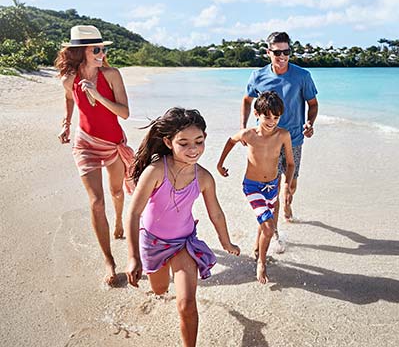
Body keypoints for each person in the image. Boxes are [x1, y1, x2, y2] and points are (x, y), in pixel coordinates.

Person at [125, 107, 240, 347]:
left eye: (199, 141)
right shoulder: (156, 171)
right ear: (168, 142)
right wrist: (133, 257)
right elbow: (134, 213)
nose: (193, 149)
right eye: (184, 143)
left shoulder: (204, 177)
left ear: (205, 138)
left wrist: (226, 242)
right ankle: (160, 277)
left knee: (186, 304)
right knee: (159, 290)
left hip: (183, 243)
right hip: (152, 242)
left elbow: (216, 213)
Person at [54, 25, 135, 286]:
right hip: (85, 144)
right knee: (97, 202)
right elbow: (70, 98)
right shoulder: (69, 79)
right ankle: (109, 261)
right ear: (81, 52)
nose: (102, 53)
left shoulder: (111, 75)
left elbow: (124, 113)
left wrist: (97, 95)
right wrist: (67, 123)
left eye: (103, 48)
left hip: (112, 144)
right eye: (96, 49)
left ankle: (119, 220)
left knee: (117, 192)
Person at [241, 31, 319, 248]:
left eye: (286, 51)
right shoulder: (258, 76)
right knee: (271, 187)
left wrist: (310, 124)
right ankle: (273, 234)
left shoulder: (302, 76)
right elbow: (247, 101)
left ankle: (288, 202)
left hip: (294, 140)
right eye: (277, 52)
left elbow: (312, 105)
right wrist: (243, 128)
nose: (282, 56)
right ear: (269, 53)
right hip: (267, 143)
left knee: (291, 183)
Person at [218, 92, 294, 284]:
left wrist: (287, 183)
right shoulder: (248, 134)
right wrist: (220, 164)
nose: (272, 121)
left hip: (273, 186)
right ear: (256, 114)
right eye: (267, 116)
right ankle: (261, 262)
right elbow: (231, 141)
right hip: (252, 186)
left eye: (276, 117)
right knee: (268, 228)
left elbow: (290, 164)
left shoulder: (283, 135)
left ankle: (256, 249)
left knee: (266, 222)